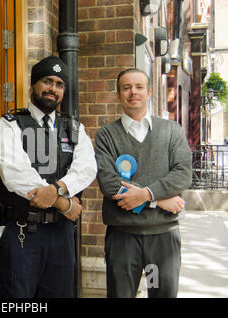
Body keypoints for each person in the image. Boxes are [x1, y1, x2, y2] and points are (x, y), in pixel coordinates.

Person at [0, 55, 97, 297]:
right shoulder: (10, 124)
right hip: (22, 233)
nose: (53, 89)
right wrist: (63, 202)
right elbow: (15, 174)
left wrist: (57, 189)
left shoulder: (74, 128)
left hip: (61, 234)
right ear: (32, 87)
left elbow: (86, 168)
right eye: (47, 81)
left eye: (59, 84)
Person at [94, 68, 192, 298]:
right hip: (122, 237)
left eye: (138, 87)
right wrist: (157, 201)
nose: (133, 92)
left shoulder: (171, 131)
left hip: (163, 236)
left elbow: (182, 173)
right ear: (118, 95)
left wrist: (147, 194)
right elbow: (109, 183)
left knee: (162, 295)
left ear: (149, 92)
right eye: (126, 88)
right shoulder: (106, 135)